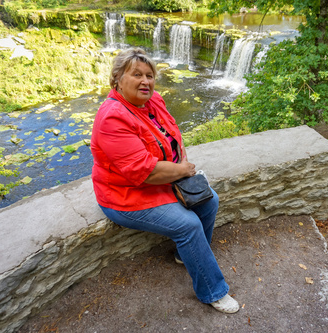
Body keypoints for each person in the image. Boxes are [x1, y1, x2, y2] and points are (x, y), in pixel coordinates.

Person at [90, 48, 239, 314]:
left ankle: (187, 255)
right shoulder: (112, 118)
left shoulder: (153, 101)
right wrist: (183, 171)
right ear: (117, 79)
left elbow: (173, 137)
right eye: (136, 74)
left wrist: (181, 163)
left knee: (209, 201)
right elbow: (144, 173)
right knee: (189, 224)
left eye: (149, 75)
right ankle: (212, 290)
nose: (145, 81)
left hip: (162, 182)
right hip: (125, 196)